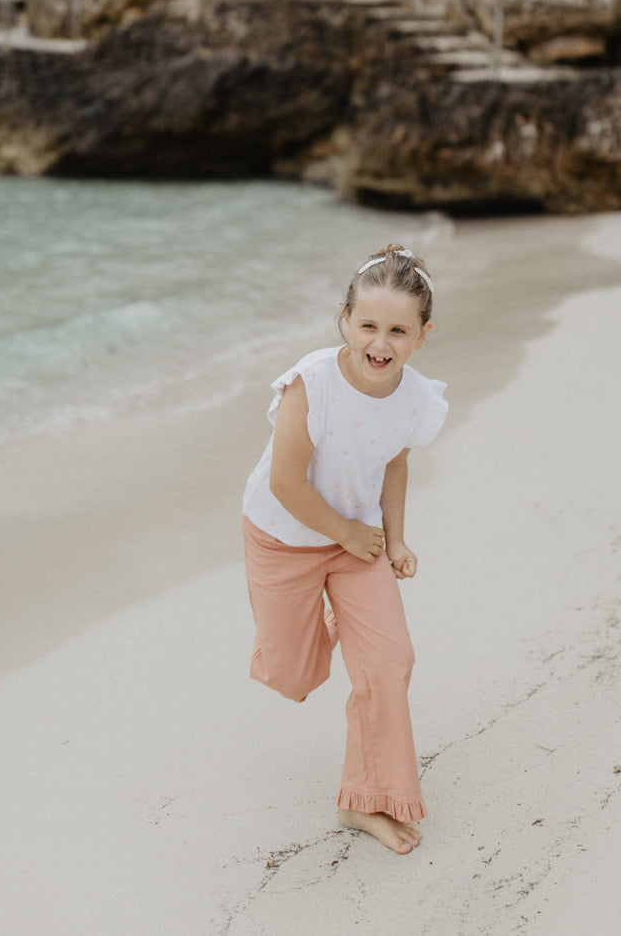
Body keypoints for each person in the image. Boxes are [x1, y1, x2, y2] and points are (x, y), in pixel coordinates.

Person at [242, 243, 448, 855]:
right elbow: (286, 484)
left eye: (398, 331)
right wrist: (351, 534)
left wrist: (397, 537)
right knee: (292, 674)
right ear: (344, 321)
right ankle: (326, 617)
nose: (380, 343)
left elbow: (395, 465)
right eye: (368, 326)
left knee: (389, 663)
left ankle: (364, 801)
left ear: (421, 336)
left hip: (356, 546)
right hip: (283, 537)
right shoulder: (313, 382)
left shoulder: (414, 397)